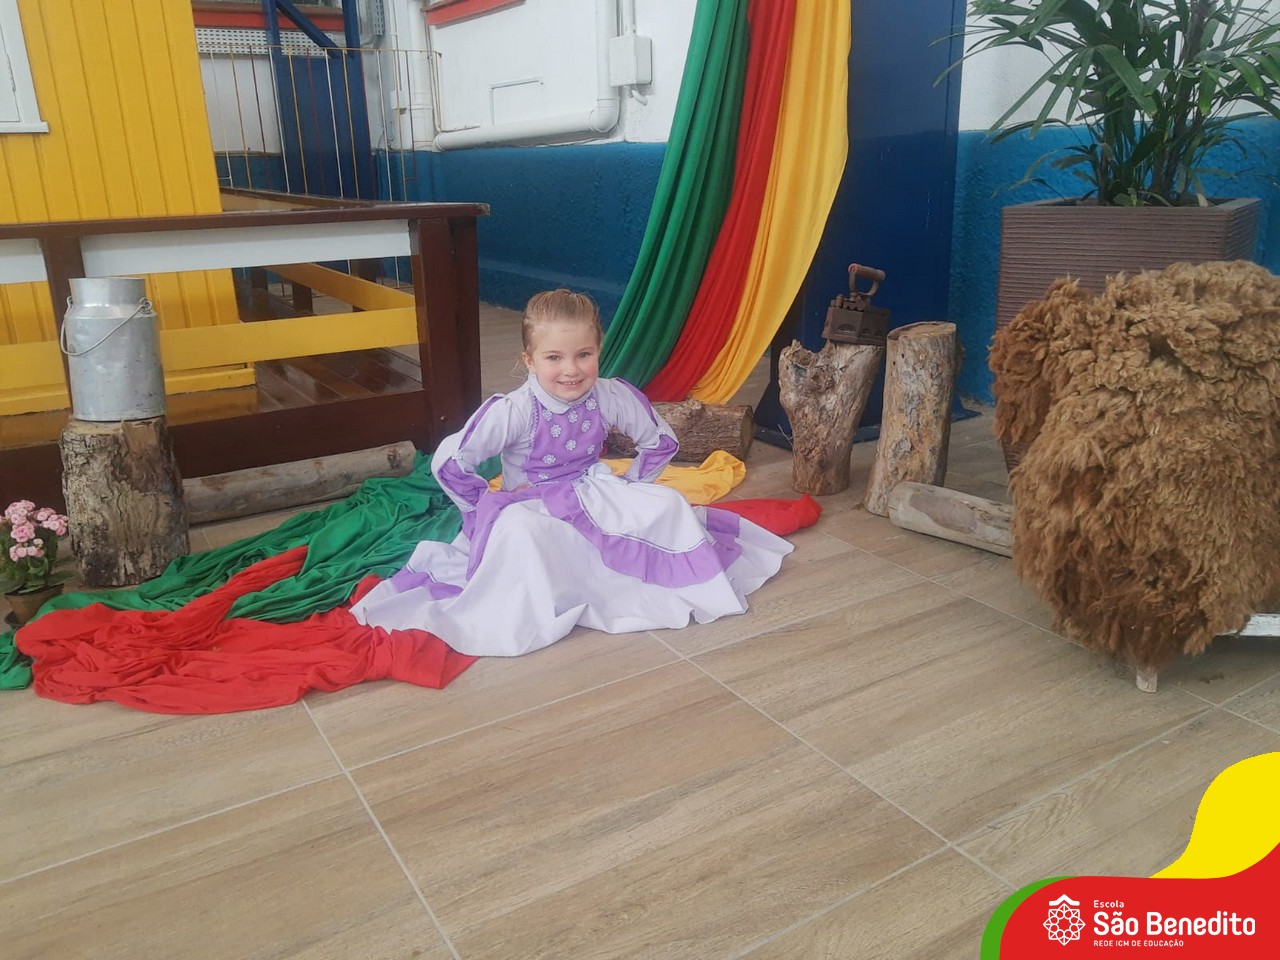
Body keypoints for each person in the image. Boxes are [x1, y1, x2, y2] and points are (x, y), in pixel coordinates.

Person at [350, 288, 795, 657]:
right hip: (531, 503)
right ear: (529, 360)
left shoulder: (610, 395)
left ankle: (629, 583)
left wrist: (630, 486)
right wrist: (481, 508)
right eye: (554, 358)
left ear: (599, 350)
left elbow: (659, 440)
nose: (571, 370)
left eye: (584, 354)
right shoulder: (515, 411)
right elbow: (451, 462)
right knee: (523, 532)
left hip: (591, 491)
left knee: (669, 504)